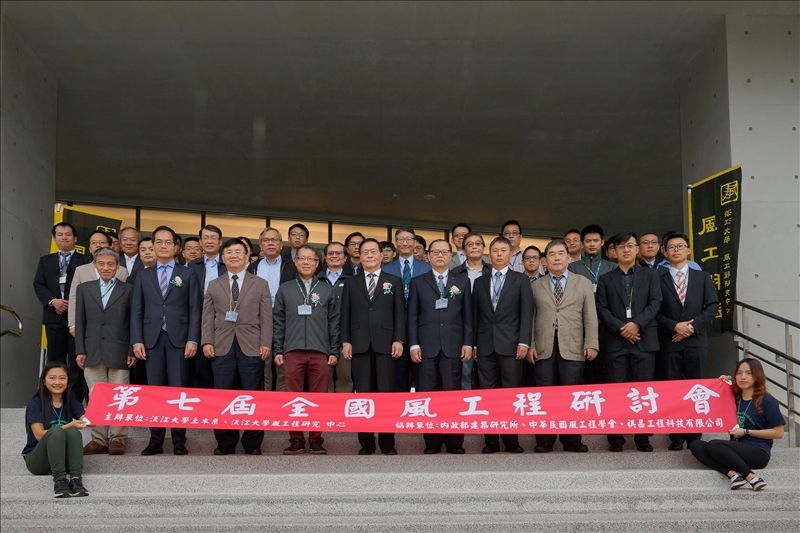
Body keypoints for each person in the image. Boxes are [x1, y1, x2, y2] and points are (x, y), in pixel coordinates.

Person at [131, 225, 201, 456]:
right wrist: (136, 341)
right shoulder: (143, 274)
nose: (163, 246)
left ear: (176, 247)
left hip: (179, 339)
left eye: (168, 242)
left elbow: (195, 309)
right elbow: (137, 310)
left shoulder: (187, 273)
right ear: (152, 245)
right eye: (158, 242)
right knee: (155, 391)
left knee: (179, 391)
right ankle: (155, 440)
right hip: (151, 339)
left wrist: (193, 339)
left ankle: (179, 440)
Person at [202, 239, 272, 456]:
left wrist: (266, 342)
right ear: (223, 258)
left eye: (238, 252)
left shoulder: (260, 283)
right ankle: (225, 442)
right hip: (221, 345)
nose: (233, 255)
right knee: (223, 395)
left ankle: (253, 442)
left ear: (247, 256)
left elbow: (266, 317)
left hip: (252, 345)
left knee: (253, 394)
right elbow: (207, 316)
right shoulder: (214, 284)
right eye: (229, 252)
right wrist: (207, 341)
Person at [529, 240, 598, 453]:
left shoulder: (583, 283)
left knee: (572, 395)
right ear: (545, 260)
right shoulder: (535, 285)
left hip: (574, 344)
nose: (557, 258)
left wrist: (591, 343)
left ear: (569, 257)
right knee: (545, 395)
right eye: (552, 254)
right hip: (543, 346)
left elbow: (590, 316)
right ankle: (545, 440)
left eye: (561, 253)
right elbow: (531, 318)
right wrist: (530, 344)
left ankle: (572, 440)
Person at [596, 231, 662, 452]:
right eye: (621, 246)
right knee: (615, 391)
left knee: (642, 391)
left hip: (644, 339)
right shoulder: (605, 279)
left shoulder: (651, 275)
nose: (626, 250)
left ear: (637, 249)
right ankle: (616, 437)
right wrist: (621, 328)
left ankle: (642, 437)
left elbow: (655, 302)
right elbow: (602, 308)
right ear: (614, 251)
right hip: (615, 341)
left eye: (630, 246)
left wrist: (637, 324)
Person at [340, 238, 405, 455]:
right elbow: (345, 314)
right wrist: (346, 341)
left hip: (386, 344)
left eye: (373, 252)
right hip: (359, 344)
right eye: (365, 252)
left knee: (386, 395)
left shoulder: (394, 281)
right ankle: (366, 443)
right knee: (363, 395)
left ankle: (387, 443)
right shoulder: (351, 282)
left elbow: (399, 313)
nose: (369, 255)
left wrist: (399, 339)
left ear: (381, 255)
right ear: (359, 256)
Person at [408, 239, 473, 454]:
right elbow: (413, 316)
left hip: (453, 345)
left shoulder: (462, 281)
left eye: (444, 252)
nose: (440, 256)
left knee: (453, 394)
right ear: (428, 255)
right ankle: (432, 442)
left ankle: (455, 442)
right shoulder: (418, 282)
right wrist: (414, 344)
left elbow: (468, 316)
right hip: (426, 347)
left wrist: (467, 343)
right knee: (429, 395)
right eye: (435, 252)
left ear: (450, 255)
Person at [274, 245, 340, 455]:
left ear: (317, 263)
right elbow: (278, 321)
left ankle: (316, 438)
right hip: (292, 350)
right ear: (295, 262)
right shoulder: (285, 289)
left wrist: (334, 351)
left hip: (320, 350)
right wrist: (278, 349)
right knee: (293, 397)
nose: (306, 262)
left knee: (319, 397)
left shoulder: (326, 289)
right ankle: (296, 439)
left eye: (310, 259)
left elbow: (334, 323)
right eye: (301, 258)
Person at [656, 232, 719, 449]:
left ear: (689, 250)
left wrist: (691, 327)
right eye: (671, 247)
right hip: (669, 340)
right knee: (672, 390)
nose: (676, 250)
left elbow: (712, 306)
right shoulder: (657, 278)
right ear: (664, 252)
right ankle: (676, 436)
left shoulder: (702, 277)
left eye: (680, 246)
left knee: (696, 388)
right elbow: (654, 309)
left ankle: (694, 436)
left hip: (696, 341)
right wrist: (674, 326)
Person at [473, 236, 533, 454]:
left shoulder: (521, 280)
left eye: (503, 250)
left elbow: (527, 313)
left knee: (510, 394)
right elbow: (475, 316)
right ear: (489, 255)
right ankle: (490, 441)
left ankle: (511, 441)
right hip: (485, 345)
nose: (499, 254)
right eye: (495, 251)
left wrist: (524, 341)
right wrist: (474, 345)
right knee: (487, 394)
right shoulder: (480, 282)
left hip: (511, 345)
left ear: (510, 254)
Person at [74, 248, 136, 456]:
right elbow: (80, 321)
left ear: (118, 266)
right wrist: (80, 349)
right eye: (101, 264)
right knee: (96, 397)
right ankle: (98, 440)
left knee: (120, 396)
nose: (106, 268)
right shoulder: (84, 289)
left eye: (110, 264)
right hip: (92, 350)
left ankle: (118, 439)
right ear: (95, 265)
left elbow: (133, 321)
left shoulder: (128, 289)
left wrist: (131, 349)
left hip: (120, 349)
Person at [689, 359, 785, 491]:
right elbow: (712, 398)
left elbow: (779, 433)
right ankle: (733, 474)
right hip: (734, 449)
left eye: (748, 373)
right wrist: (722, 383)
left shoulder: (767, 401)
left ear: (757, 376)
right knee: (695, 445)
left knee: (715, 445)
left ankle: (751, 477)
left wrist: (746, 432)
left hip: (758, 451)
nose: (742, 377)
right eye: (739, 373)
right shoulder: (733, 397)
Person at [33, 222, 92, 402]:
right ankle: (53, 399)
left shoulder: (86, 260)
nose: (64, 237)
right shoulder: (45, 261)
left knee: (77, 359)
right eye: (60, 234)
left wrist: (71, 303)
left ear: (75, 238)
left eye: (68, 234)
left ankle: (75, 400)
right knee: (55, 359)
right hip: (54, 316)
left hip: (78, 318)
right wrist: (54, 301)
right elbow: (38, 284)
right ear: (54, 238)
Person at [22, 362, 89, 498]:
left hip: (63, 460)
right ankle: (60, 481)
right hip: (38, 461)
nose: (57, 382)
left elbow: (90, 421)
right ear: (44, 381)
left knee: (73, 432)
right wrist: (69, 425)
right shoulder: (36, 403)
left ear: (68, 381)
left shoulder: (70, 401)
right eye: (52, 378)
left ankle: (76, 479)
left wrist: (95, 398)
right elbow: (39, 435)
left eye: (62, 378)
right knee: (58, 431)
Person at [383, 227, 432, 392]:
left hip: (421, 325)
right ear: (396, 243)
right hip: (395, 326)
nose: (405, 243)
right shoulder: (385, 269)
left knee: (422, 371)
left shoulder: (427, 267)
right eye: (401, 239)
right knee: (398, 372)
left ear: (414, 242)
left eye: (409, 239)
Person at [569, 224, 616, 385]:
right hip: (581, 326)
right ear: (582, 244)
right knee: (583, 369)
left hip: (606, 326)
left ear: (602, 242)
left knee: (606, 368)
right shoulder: (572, 268)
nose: (592, 244)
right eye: (588, 241)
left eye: (595, 240)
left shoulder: (611, 267)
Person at [68, 231, 128, 339]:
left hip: (114, 325)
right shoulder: (81, 270)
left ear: (110, 246)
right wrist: (72, 324)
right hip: (87, 322)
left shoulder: (122, 271)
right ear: (89, 248)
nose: (98, 245)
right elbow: (73, 298)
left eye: (102, 242)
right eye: (94, 243)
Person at [188, 225, 227, 389]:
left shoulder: (228, 265)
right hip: (198, 321)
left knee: (223, 369)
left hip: (224, 322)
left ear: (220, 242)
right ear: (200, 242)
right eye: (206, 238)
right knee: (200, 369)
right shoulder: (192, 266)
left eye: (213, 238)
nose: (209, 241)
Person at [450, 231, 491, 390]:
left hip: (487, 329)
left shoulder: (492, 271)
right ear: (464, 249)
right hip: (462, 331)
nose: (474, 247)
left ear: (483, 247)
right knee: (464, 374)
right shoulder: (454, 273)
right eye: (470, 244)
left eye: (478, 244)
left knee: (486, 375)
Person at [319, 241, 353, 393]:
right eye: (330, 253)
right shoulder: (316, 280)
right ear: (325, 257)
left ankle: (342, 407)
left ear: (345, 258)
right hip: (321, 339)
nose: (334, 256)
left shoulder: (353, 280)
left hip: (345, 338)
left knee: (345, 377)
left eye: (339, 253)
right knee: (323, 378)